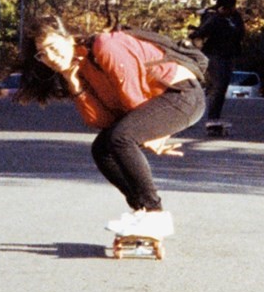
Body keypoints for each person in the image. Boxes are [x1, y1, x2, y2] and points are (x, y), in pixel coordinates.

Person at [16, 14, 205, 239]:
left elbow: (134, 99)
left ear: (68, 38)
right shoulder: (80, 68)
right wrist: (73, 83)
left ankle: (155, 214)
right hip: (159, 103)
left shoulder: (106, 47)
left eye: (53, 47)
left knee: (121, 138)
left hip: (182, 95)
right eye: (43, 54)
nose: (51, 57)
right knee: (102, 148)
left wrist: (151, 133)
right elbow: (101, 121)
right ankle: (142, 210)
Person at [189, 0, 244, 123]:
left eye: (233, 9)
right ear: (222, 9)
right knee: (217, 86)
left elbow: (241, 33)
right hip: (214, 55)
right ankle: (211, 115)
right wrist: (194, 34)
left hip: (229, 55)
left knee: (222, 86)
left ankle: (214, 114)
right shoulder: (214, 19)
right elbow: (201, 31)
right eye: (229, 9)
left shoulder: (235, 18)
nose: (231, 11)